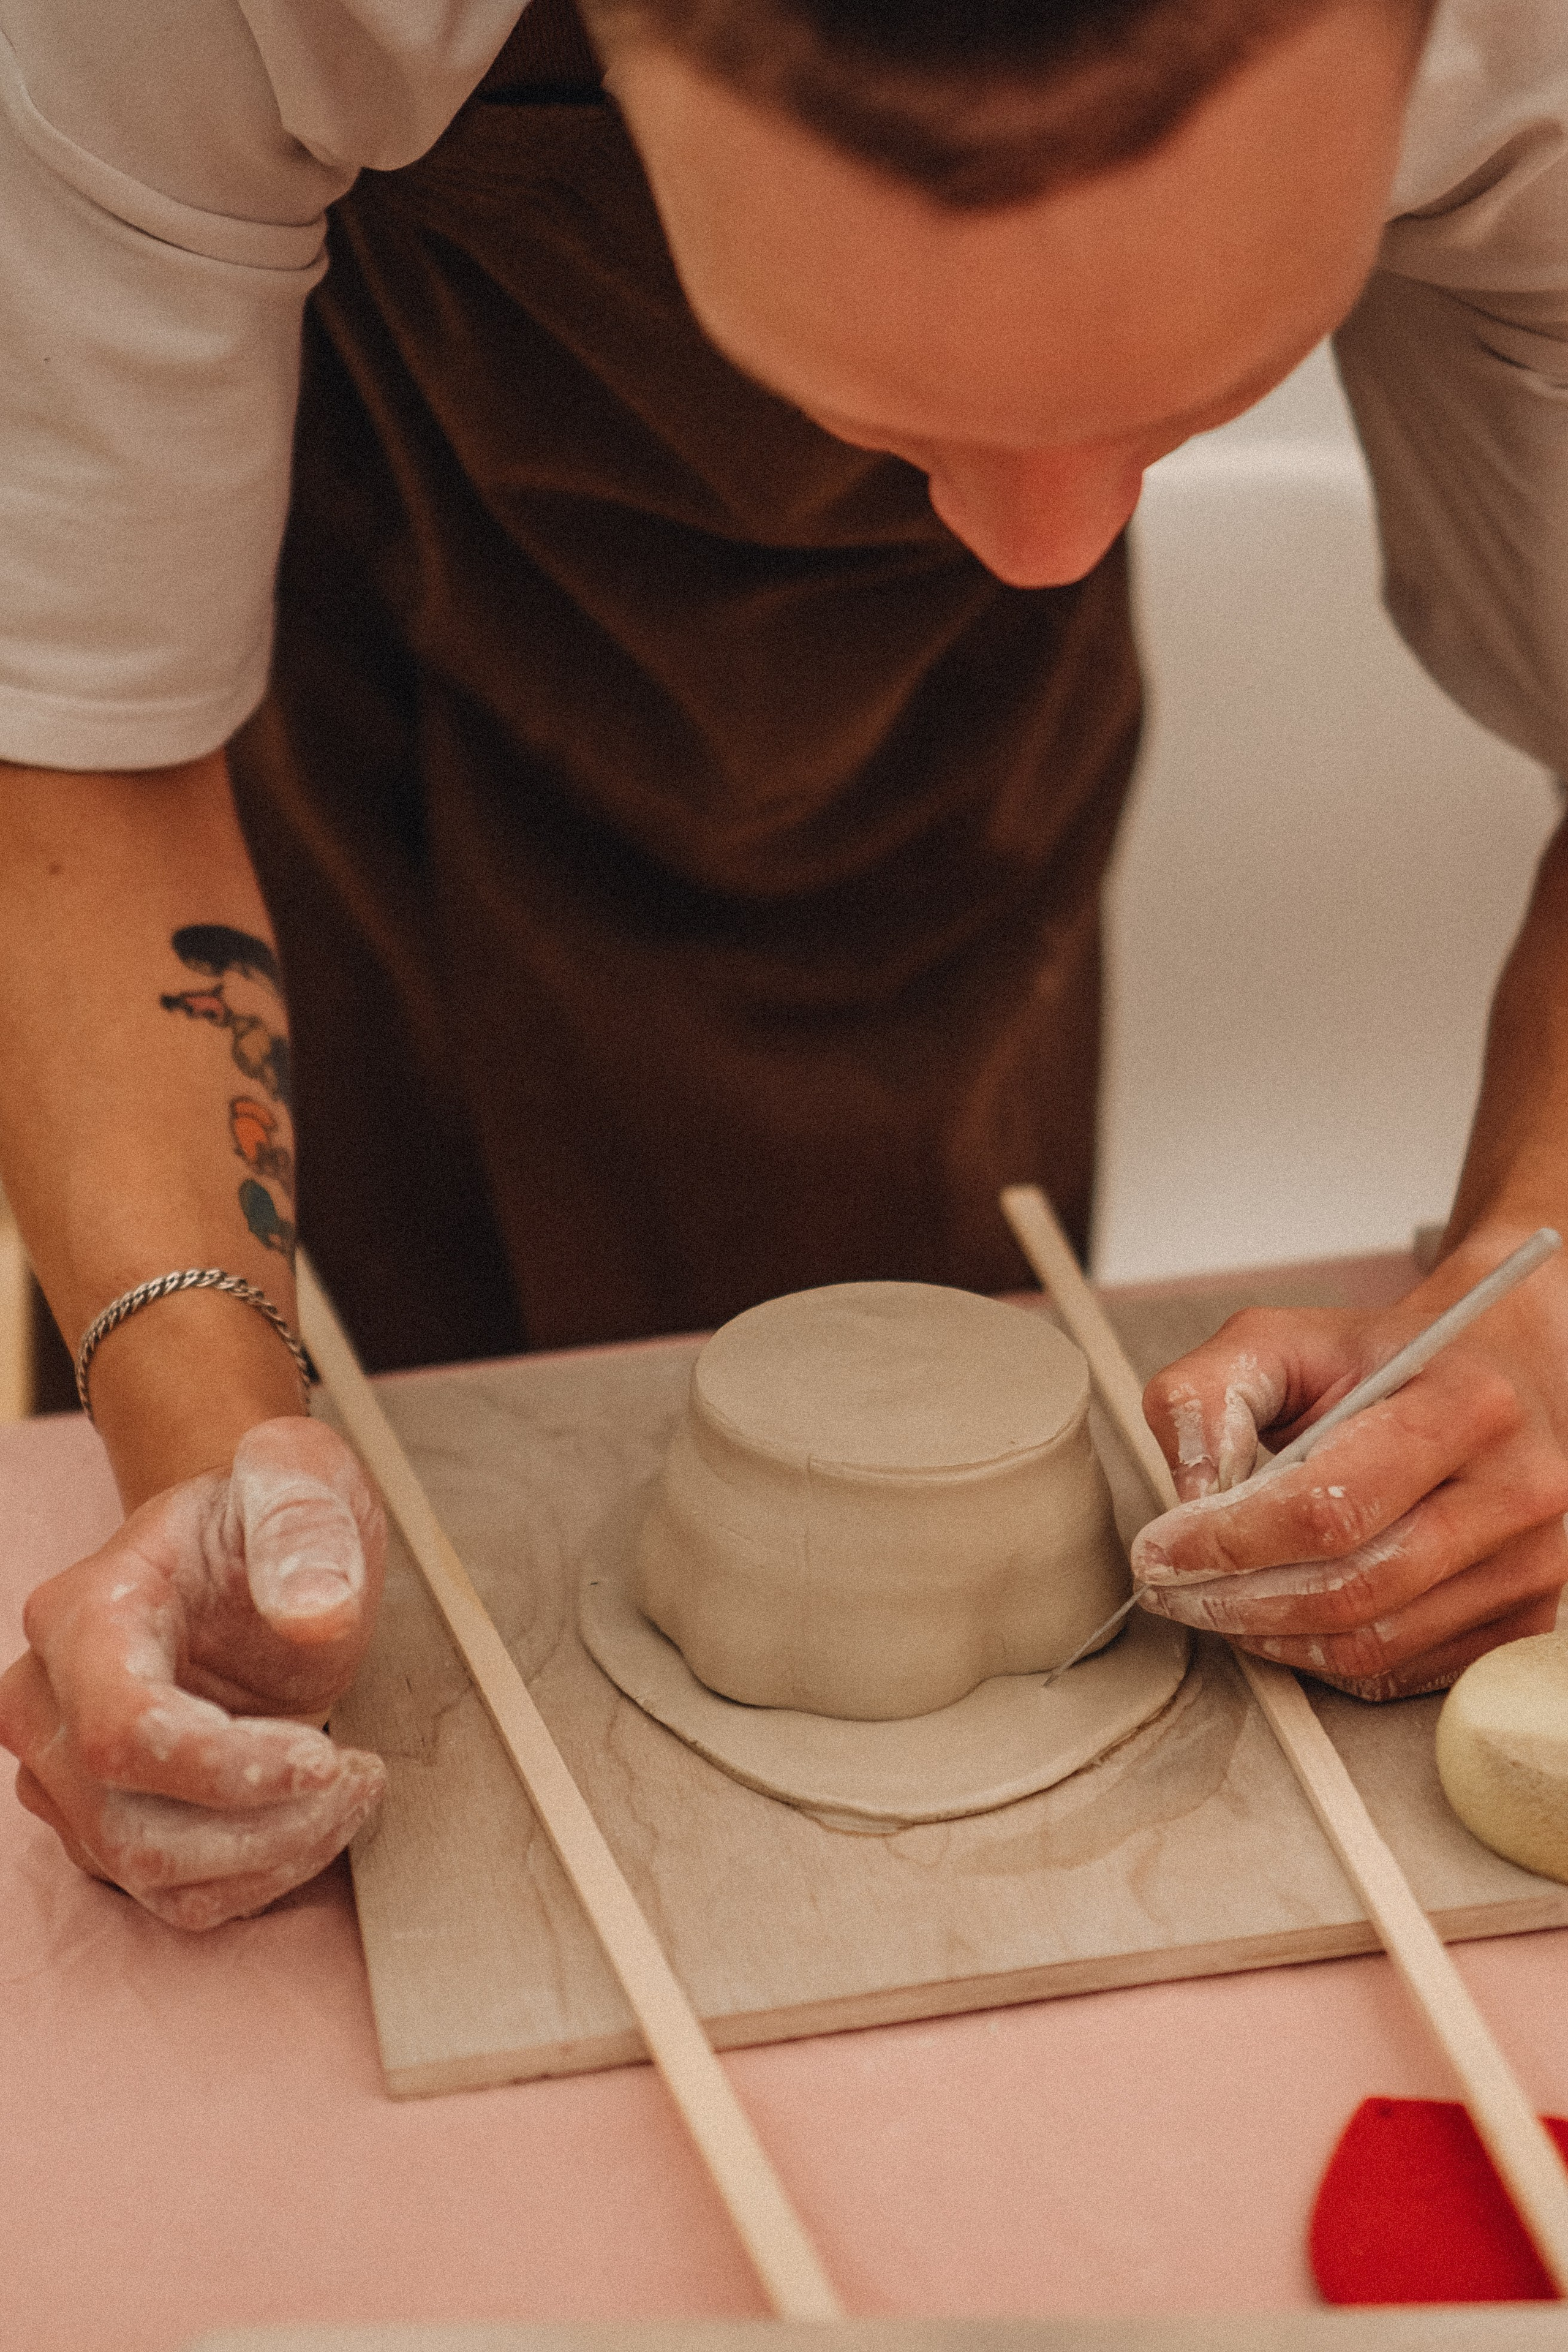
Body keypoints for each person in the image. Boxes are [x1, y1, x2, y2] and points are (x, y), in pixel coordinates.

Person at [1, 0, 1567, 1929]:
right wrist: (205, 1452)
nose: (1049, 548)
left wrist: (1538, 1277)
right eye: (896, 411)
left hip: (917, 784)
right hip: (358, 622)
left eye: (1195, 398)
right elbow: (79, 725)